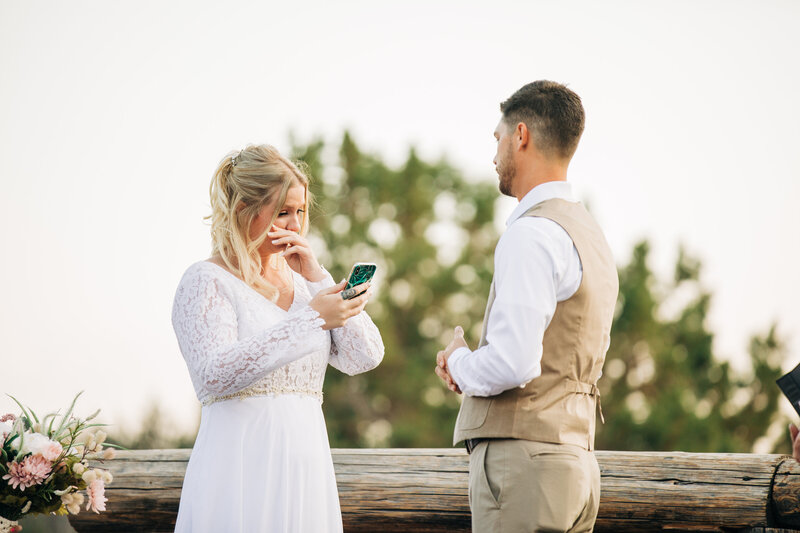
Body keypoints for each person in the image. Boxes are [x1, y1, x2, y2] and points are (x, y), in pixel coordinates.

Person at [435, 81, 619, 532]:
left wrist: (458, 360)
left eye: (497, 139)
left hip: (524, 470)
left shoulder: (531, 233)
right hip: (576, 466)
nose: (494, 154)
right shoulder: (589, 234)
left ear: (521, 136)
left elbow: (514, 363)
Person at [171, 144, 384, 533]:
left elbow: (364, 357)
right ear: (242, 211)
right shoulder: (204, 281)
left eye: (300, 212)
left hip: (307, 471)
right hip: (240, 469)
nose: (294, 224)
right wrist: (311, 321)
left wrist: (318, 275)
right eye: (282, 211)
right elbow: (213, 374)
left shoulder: (306, 286)